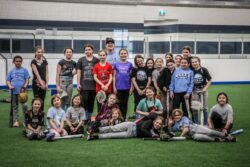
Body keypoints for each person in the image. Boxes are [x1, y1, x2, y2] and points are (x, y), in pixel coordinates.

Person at [168, 109, 236, 142]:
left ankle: (226, 136)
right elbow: (171, 131)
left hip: (196, 128)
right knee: (200, 137)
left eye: (178, 115)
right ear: (173, 116)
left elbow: (186, 129)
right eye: (175, 115)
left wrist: (181, 137)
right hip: (192, 135)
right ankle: (219, 139)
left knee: (210, 132)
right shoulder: (175, 125)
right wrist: (169, 124)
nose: (177, 116)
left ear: (181, 115)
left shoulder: (184, 118)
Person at [87, 113, 163, 140]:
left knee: (113, 136)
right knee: (112, 128)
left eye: (159, 124)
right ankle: (95, 130)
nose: (157, 124)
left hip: (131, 134)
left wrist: (157, 135)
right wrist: (152, 136)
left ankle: (95, 137)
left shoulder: (155, 130)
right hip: (130, 125)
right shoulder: (149, 122)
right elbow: (143, 129)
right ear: (154, 121)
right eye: (157, 122)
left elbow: (162, 132)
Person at [76, 44, 99, 123]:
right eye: (86, 50)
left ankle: (89, 117)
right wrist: (78, 83)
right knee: (84, 101)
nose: (87, 51)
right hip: (84, 85)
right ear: (84, 51)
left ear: (92, 51)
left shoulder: (96, 60)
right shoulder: (81, 60)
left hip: (94, 86)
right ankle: (84, 118)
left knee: (91, 102)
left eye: (89, 49)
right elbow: (78, 72)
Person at [6, 55, 30, 127]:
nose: (18, 62)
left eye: (20, 61)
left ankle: (26, 121)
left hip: (22, 92)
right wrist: (10, 86)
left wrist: (25, 86)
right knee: (15, 107)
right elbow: (8, 80)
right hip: (13, 92)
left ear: (21, 62)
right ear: (14, 62)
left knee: (24, 106)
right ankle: (16, 121)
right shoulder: (11, 71)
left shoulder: (24, 70)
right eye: (17, 61)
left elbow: (27, 79)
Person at [113, 49, 133, 119]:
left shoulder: (130, 65)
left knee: (125, 104)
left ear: (127, 54)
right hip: (118, 87)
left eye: (125, 53)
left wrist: (131, 87)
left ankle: (124, 118)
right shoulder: (116, 64)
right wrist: (114, 87)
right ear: (119, 55)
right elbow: (114, 76)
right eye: (122, 53)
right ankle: (118, 117)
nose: (123, 55)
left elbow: (132, 77)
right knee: (119, 104)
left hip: (127, 87)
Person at [191, 56, 212, 125]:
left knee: (205, 108)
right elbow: (190, 83)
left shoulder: (204, 70)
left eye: (196, 62)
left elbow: (210, 80)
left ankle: (205, 124)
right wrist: (192, 94)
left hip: (203, 90)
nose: (194, 63)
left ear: (199, 62)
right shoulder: (191, 71)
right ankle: (196, 123)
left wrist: (205, 88)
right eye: (193, 62)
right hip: (195, 91)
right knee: (195, 108)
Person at [31, 46, 48, 111]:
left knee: (42, 100)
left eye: (41, 52)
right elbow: (37, 74)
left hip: (44, 83)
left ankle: (41, 116)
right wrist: (42, 84)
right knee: (36, 101)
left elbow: (47, 74)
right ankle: (35, 116)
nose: (40, 53)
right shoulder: (33, 62)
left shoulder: (45, 62)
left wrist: (46, 84)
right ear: (35, 52)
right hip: (36, 84)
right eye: (38, 52)